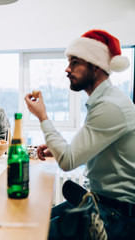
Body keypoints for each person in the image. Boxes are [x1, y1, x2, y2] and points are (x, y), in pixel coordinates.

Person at [24, 29, 135, 239]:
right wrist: (57, 150)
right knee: (36, 223)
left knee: (35, 234)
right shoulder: (104, 101)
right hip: (100, 201)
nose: (67, 69)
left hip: (118, 214)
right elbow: (87, 151)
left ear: (96, 65)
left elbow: (68, 161)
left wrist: (42, 116)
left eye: (75, 62)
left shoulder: (110, 106)